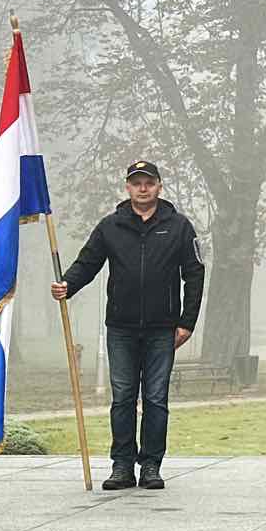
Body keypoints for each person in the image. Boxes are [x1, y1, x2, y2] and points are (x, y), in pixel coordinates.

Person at [52, 161, 205, 491]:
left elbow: (194, 274)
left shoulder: (179, 227)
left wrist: (187, 322)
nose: (143, 188)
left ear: (159, 186)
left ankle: (150, 465)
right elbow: (88, 263)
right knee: (122, 397)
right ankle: (122, 465)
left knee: (155, 398)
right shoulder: (111, 226)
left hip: (163, 329)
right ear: (128, 187)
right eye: (137, 183)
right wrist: (68, 284)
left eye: (149, 182)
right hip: (121, 328)